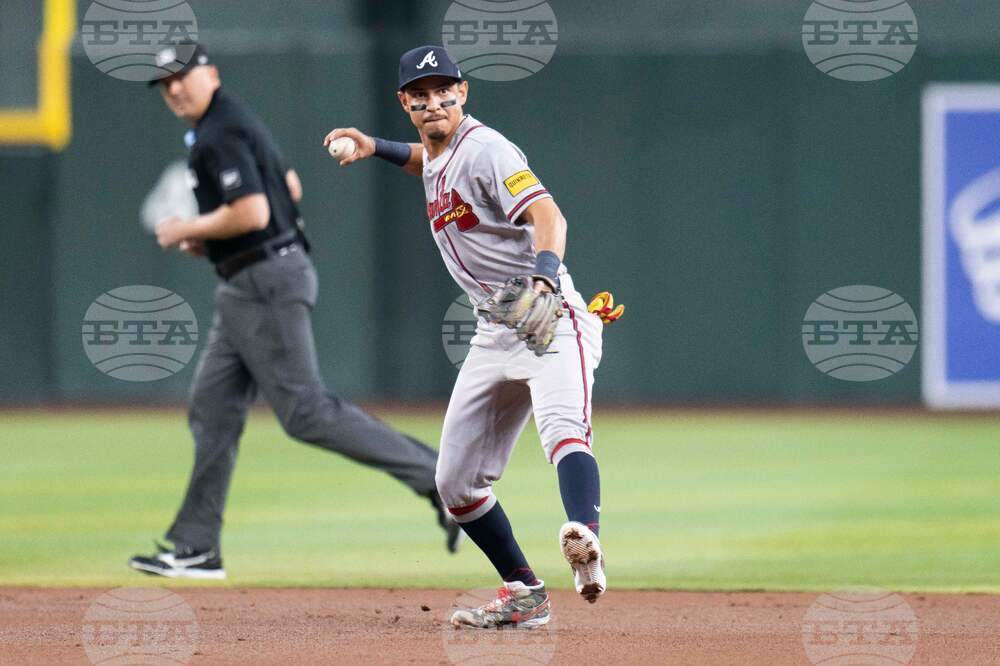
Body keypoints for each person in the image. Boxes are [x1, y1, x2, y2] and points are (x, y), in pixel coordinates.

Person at [128, 43, 460, 580]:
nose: (174, 89)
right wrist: (214, 240)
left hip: (264, 280)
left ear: (211, 73)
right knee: (213, 408)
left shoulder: (219, 131)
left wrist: (188, 227)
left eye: (182, 76)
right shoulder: (232, 119)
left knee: (307, 412)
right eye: (165, 84)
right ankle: (196, 546)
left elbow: (253, 211)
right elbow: (289, 186)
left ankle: (441, 482)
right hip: (248, 280)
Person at [325, 45, 611, 628]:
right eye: (421, 95)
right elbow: (426, 160)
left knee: (564, 430)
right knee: (454, 483)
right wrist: (373, 145)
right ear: (405, 102)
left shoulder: (488, 148)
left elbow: (549, 216)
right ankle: (525, 594)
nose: (434, 103)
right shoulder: (441, 151)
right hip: (494, 331)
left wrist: (545, 275)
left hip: (548, 315)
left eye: (444, 91)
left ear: (463, 93)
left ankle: (585, 535)